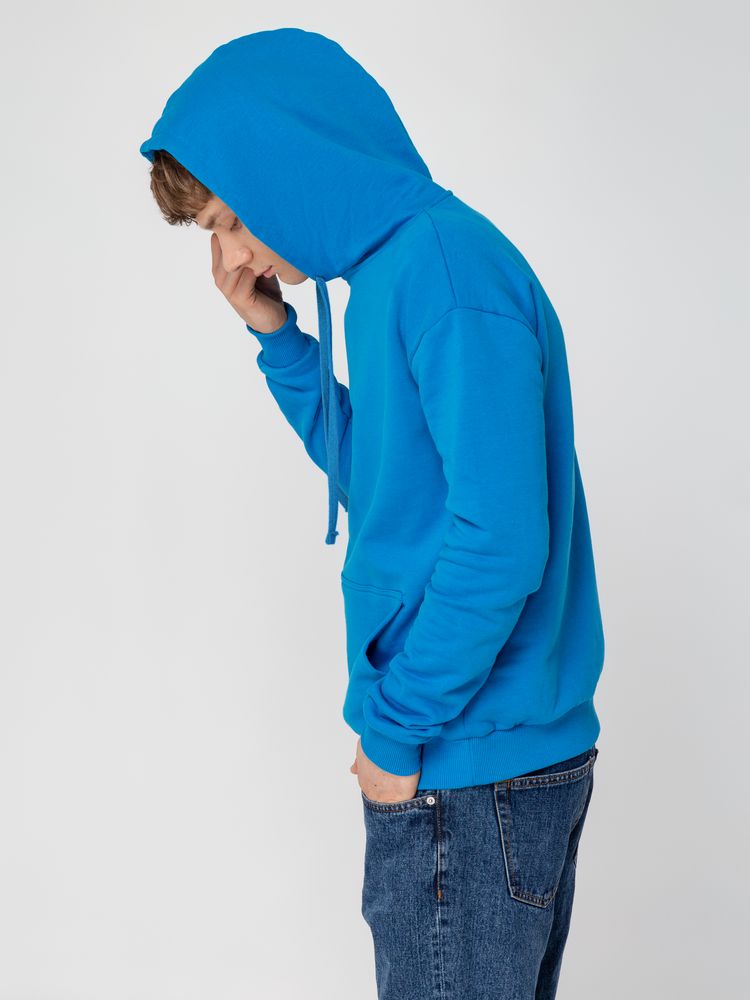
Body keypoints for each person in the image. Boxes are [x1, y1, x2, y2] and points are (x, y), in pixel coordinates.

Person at [139, 27, 605, 999]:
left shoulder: (444, 276)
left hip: (463, 767)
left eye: (231, 219)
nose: (233, 256)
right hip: (473, 762)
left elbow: (500, 542)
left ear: (291, 165)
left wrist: (395, 734)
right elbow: (388, 483)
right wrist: (280, 339)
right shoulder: (397, 273)